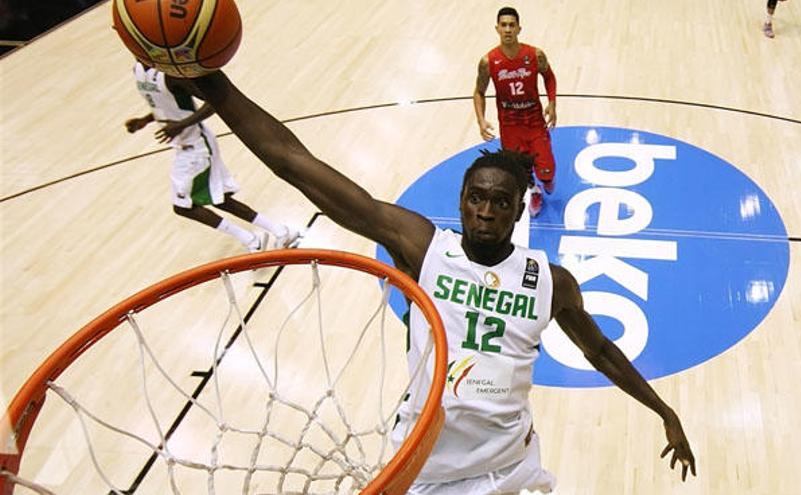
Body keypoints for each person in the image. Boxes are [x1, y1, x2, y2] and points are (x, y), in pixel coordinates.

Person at [192, 70, 696, 494]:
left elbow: (601, 351)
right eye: (477, 197)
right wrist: (216, 89)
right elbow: (295, 164)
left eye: (501, 202)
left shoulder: (550, 281)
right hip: (425, 463)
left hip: (509, 468)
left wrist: (663, 410)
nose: (486, 212)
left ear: (520, 209)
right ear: (461, 199)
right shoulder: (424, 248)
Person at [125, 62, 300, 252]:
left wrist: (181, 125)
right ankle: (281, 231)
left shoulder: (170, 75)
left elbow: (214, 102)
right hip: (186, 145)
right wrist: (145, 120)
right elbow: (166, 104)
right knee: (221, 199)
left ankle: (250, 239)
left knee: (183, 206)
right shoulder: (138, 71)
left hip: (197, 146)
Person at [473, 6, 557, 218]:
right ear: (497, 28)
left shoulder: (534, 55)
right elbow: (479, 92)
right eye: (504, 25)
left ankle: (545, 180)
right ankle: (534, 192)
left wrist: (552, 103)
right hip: (510, 126)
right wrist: (481, 121)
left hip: (534, 121)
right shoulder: (488, 62)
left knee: (547, 172)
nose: (508, 29)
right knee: (519, 170)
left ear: (519, 28)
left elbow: (549, 77)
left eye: (512, 25)